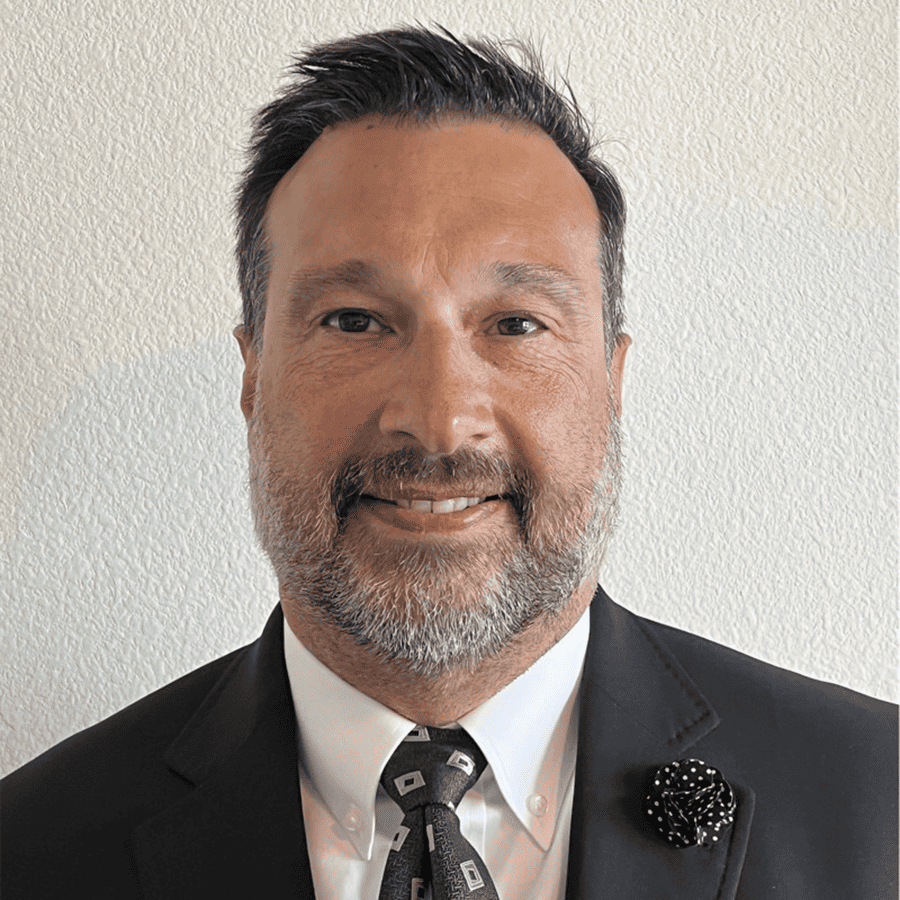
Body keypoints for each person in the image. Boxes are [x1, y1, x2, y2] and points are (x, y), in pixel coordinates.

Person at [1, 26, 895, 900]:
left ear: (612, 380)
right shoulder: (30, 850)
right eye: (354, 321)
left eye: (515, 324)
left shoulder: (878, 807)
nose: (438, 423)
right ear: (253, 375)